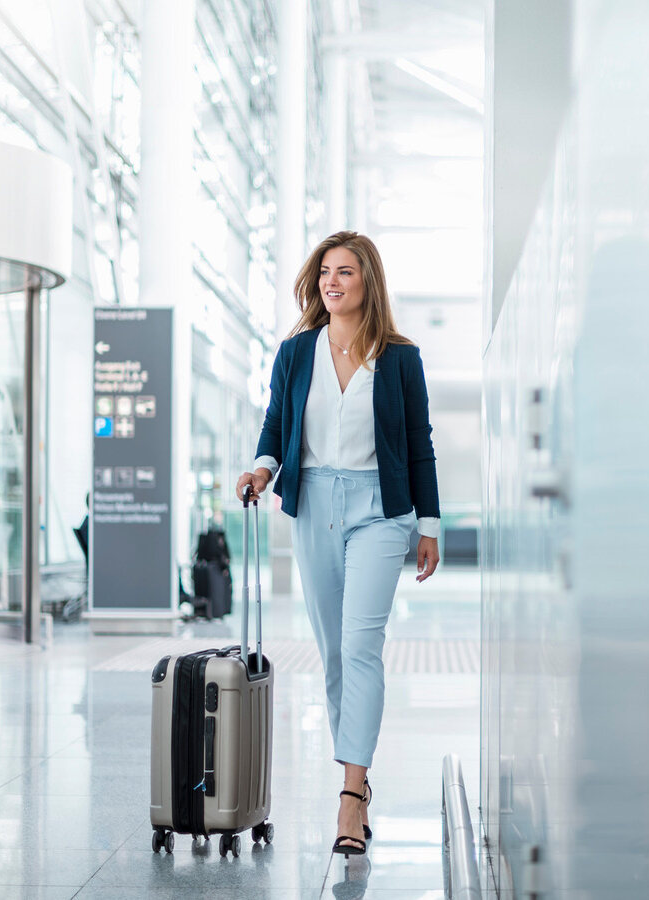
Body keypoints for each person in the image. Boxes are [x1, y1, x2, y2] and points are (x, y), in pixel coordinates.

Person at [236, 231, 441, 857]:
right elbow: (277, 422)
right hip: (315, 504)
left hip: (381, 510)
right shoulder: (296, 352)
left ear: (367, 282)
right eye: (325, 271)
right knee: (331, 654)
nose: (332, 281)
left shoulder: (400, 358)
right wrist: (262, 467)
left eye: (346, 272)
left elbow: (420, 443)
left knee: (360, 646)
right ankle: (356, 771)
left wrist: (428, 525)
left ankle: (351, 797)